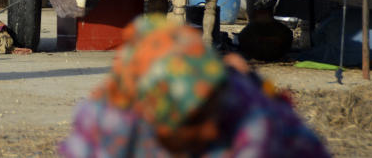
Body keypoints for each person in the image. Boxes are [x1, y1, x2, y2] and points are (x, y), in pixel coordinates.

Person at [59, 15, 329, 158]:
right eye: (191, 119)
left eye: (208, 109)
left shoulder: (253, 123)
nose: (209, 128)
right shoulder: (106, 123)